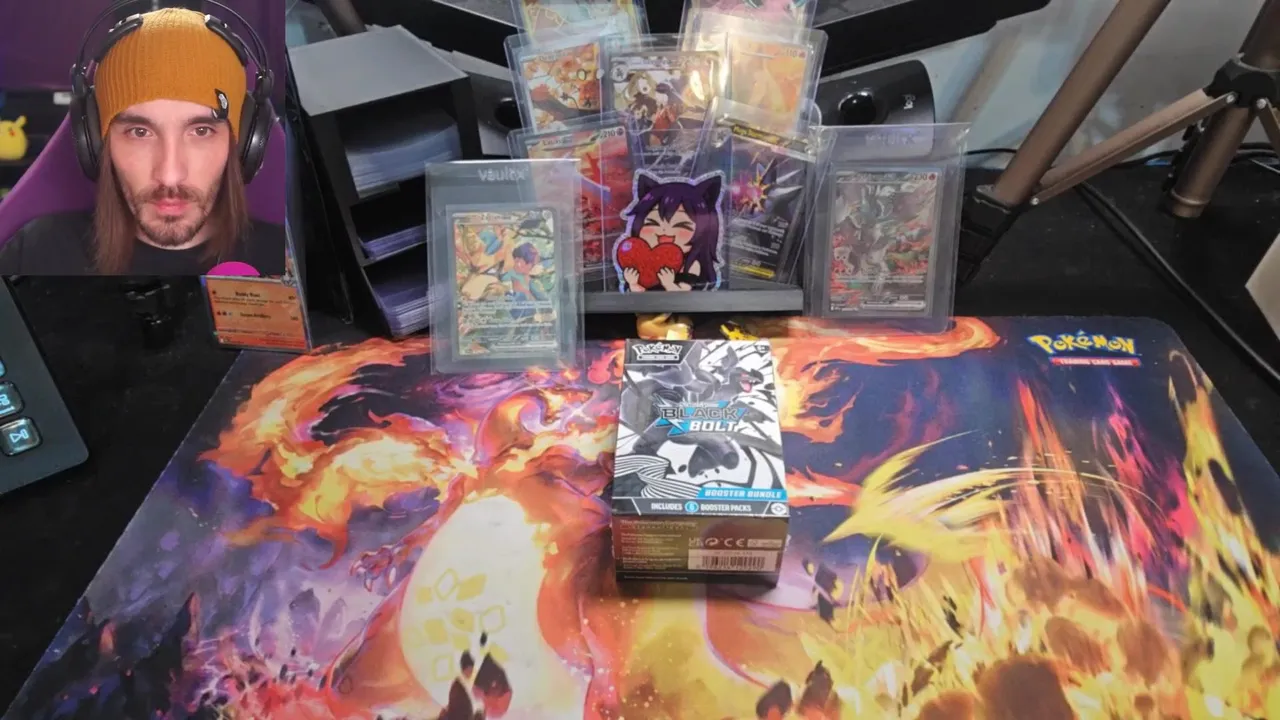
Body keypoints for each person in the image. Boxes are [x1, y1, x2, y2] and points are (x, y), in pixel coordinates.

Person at [0, 8, 285, 276]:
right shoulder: (37, 254)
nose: (170, 175)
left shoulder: (286, 261)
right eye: (139, 132)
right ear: (96, 143)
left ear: (244, 143)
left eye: (201, 131)